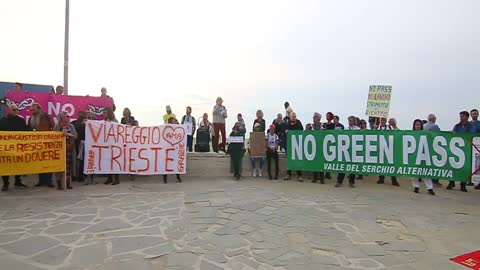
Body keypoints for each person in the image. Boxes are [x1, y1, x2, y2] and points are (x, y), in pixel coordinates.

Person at [0, 104, 30, 191]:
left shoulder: (21, 120)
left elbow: (25, 131)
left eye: (17, 109)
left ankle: (17, 181)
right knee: (6, 166)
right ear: (9, 110)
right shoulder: (3, 120)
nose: (16, 111)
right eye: (14, 109)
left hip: (18, 147)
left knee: (18, 165)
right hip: (6, 148)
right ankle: (6, 183)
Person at [28, 103, 56, 187]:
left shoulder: (46, 117)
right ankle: (41, 180)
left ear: (39, 109)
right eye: (31, 110)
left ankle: (49, 180)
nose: (32, 111)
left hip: (47, 142)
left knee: (48, 161)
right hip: (36, 143)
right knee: (39, 161)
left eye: (34, 110)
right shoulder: (30, 118)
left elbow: (53, 125)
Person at [448, 111, 475, 192]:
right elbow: (452, 134)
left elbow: (472, 135)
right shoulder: (456, 126)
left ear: (467, 117)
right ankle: (451, 182)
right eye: (460, 116)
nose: (461, 117)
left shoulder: (471, 127)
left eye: (462, 116)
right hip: (456, 149)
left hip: (466, 149)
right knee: (453, 166)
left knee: (464, 167)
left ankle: (463, 184)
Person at [411, 119, 435, 195]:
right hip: (414, 155)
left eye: (419, 124)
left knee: (425, 172)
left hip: (424, 155)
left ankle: (429, 188)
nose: (417, 126)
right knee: (414, 172)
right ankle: (416, 187)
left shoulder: (425, 133)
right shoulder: (411, 134)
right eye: (416, 125)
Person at [54, 112, 78, 190]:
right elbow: (53, 137)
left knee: (68, 167)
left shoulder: (71, 126)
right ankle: (59, 184)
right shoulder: (57, 126)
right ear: (61, 117)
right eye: (66, 116)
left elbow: (76, 136)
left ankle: (68, 183)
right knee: (59, 167)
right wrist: (61, 134)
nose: (68, 118)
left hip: (69, 148)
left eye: (68, 116)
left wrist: (68, 135)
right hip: (60, 149)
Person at [335, 116, 359, 188]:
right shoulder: (346, 129)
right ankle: (339, 181)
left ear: (354, 121)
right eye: (349, 121)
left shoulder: (358, 129)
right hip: (346, 150)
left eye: (351, 121)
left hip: (354, 150)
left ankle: (351, 182)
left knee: (353, 167)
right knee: (343, 166)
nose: (350, 122)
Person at [376, 118, 400, 186]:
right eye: (381, 120)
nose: (383, 121)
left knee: (391, 164)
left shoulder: (390, 127)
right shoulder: (378, 128)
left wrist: (394, 125)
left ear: (386, 121)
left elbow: (397, 132)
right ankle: (381, 178)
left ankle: (393, 179)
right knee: (381, 164)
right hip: (381, 148)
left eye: (384, 120)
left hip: (389, 148)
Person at [284, 112, 304, 182]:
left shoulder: (298, 122)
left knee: (297, 160)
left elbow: (301, 130)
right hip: (290, 145)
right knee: (289, 160)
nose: (294, 118)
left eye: (295, 116)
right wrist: (286, 131)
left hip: (297, 145)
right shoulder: (287, 123)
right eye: (292, 117)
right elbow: (285, 131)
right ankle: (288, 174)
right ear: (290, 117)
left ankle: (300, 175)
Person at [103, 108, 121, 185]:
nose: (104, 114)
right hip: (107, 144)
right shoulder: (103, 121)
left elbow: (117, 130)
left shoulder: (115, 121)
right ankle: (109, 177)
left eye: (105, 112)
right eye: (103, 112)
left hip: (114, 144)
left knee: (115, 162)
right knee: (108, 161)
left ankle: (116, 179)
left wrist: (109, 123)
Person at [423, 113, 442, 187]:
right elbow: (440, 134)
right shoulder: (435, 126)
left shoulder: (424, 126)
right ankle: (435, 181)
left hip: (425, 146)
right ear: (434, 119)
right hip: (433, 146)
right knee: (434, 164)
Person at [163, 117, 183, 184]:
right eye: (174, 121)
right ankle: (165, 178)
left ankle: (178, 177)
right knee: (167, 164)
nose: (175, 122)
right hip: (168, 149)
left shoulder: (176, 128)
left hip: (174, 149)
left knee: (176, 163)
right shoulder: (167, 129)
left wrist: (178, 124)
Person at [311, 112, 326, 184]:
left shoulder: (322, 125)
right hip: (314, 146)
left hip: (321, 146)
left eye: (315, 117)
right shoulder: (311, 126)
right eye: (313, 117)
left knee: (321, 163)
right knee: (314, 163)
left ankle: (322, 178)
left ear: (318, 118)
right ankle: (315, 177)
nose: (313, 118)